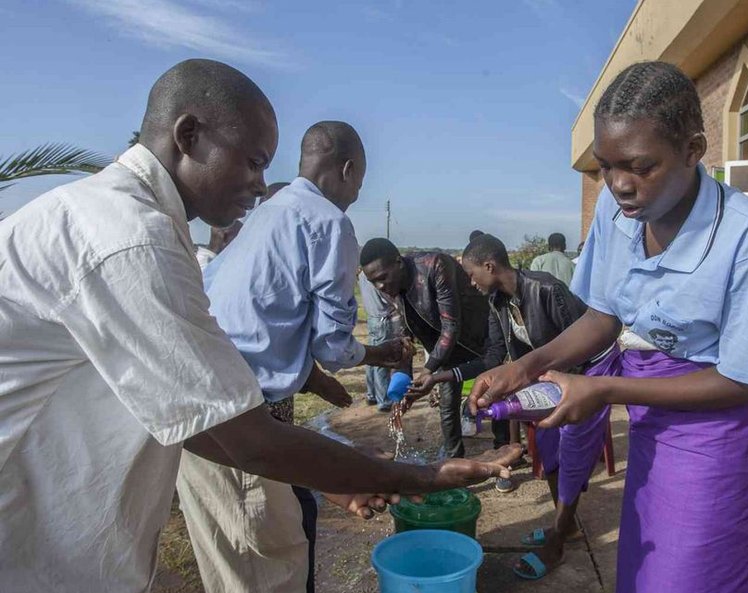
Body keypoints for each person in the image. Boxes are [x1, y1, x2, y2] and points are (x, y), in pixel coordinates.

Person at [0, 58, 520, 593]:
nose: (258, 184)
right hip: (34, 546)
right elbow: (248, 430)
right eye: (251, 162)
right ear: (188, 135)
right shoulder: (128, 241)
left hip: (133, 485)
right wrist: (416, 475)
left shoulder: (141, 222)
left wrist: (335, 471)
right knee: (268, 570)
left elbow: (197, 417)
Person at [471, 61, 748, 593]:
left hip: (718, 437)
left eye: (640, 166)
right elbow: (605, 316)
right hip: (653, 424)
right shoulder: (616, 215)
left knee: (691, 577)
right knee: (643, 572)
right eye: (605, 166)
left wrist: (604, 389)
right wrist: (528, 365)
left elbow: (745, 378)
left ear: (693, 150)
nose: (619, 184)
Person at [176, 121, 414, 593]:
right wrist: (379, 354)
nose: (355, 195)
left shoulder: (264, 216)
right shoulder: (328, 222)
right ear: (348, 170)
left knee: (256, 554)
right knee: (265, 570)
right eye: (360, 183)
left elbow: (259, 322)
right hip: (240, 422)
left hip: (212, 415)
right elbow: (334, 346)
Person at [408, 233, 619, 577]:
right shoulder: (498, 303)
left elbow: (583, 341)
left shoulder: (547, 289)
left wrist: (547, 388)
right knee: (548, 449)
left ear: (490, 266)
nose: (471, 283)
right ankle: (567, 527)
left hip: (590, 371)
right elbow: (494, 357)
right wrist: (443, 377)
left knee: (574, 451)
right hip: (551, 376)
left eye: (472, 274)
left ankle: (557, 544)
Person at [360, 238, 510, 459]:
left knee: (492, 396)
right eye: (374, 282)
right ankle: (454, 456)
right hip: (445, 351)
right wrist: (404, 389)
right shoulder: (394, 287)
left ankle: (503, 451)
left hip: (479, 339)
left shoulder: (435, 265)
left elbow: (451, 326)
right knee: (448, 404)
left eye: (383, 278)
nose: (380, 286)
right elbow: (406, 336)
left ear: (398, 263)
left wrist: (428, 369)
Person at [359, 269, 402, 410]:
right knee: (382, 360)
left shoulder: (362, 275)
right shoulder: (376, 275)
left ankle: (372, 395)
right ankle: (384, 400)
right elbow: (388, 296)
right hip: (383, 319)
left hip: (372, 318)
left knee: (371, 356)